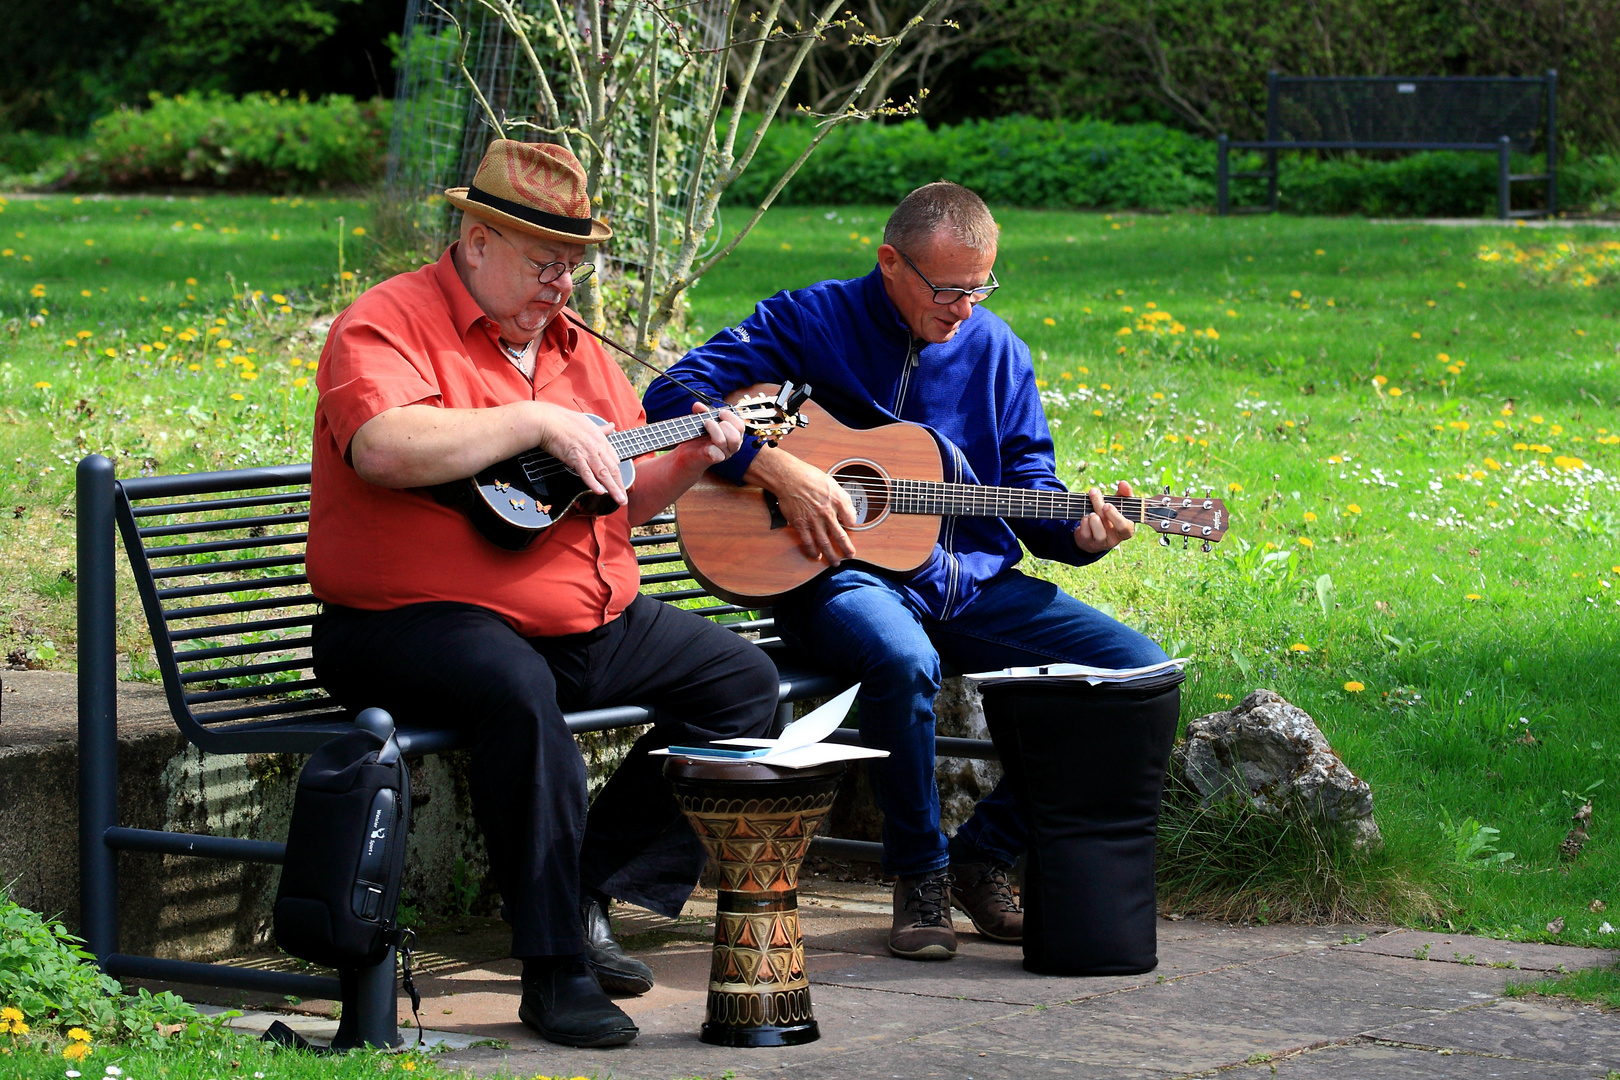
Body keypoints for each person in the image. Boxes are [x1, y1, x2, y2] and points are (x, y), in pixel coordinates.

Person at [306, 139, 778, 1046]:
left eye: (574, 264)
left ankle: (584, 889)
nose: (563, 283)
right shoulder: (389, 320)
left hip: (577, 616)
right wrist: (532, 418)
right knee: (517, 696)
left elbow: (625, 499)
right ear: (477, 240)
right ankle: (554, 972)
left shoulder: (577, 353)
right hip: (405, 623)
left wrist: (694, 456)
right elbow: (383, 447)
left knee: (741, 686)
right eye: (544, 261)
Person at [644, 182, 1168, 961]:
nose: (965, 308)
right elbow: (669, 395)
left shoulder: (998, 353)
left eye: (980, 288)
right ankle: (919, 873)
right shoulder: (808, 318)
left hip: (970, 585)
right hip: (836, 576)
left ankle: (983, 855)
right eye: (950, 289)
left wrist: (1085, 535)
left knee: (1133, 675)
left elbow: (1027, 493)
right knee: (899, 655)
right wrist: (779, 469)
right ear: (891, 262)